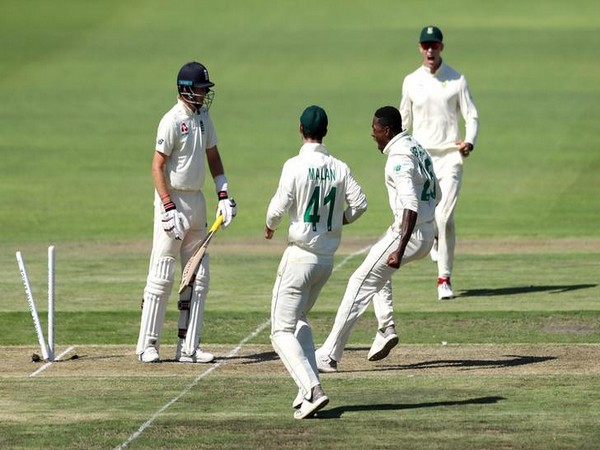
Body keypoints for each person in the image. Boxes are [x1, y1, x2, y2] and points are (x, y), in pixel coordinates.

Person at [315, 106, 439, 373]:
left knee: (359, 282)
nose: (373, 135)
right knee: (376, 270)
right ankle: (385, 327)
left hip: (408, 233)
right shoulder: (414, 145)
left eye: (376, 130)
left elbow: (410, 205)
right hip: (426, 232)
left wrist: (400, 247)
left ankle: (328, 355)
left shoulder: (399, 158)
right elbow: (435, 192)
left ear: (388, 130)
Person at [265, 105, 367, 418]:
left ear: (300, 129)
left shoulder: (294, 165)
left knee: (279, 330)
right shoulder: (339, 167)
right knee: (299, 320)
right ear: (325, 131)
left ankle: (312, 389)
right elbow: (360, 204)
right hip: (325, 260)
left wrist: (270, 226)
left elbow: (278, 208)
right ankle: (307, 386)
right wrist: (340, 221)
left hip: (299, 256)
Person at [136, 61, 237, 363]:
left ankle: (189, 347)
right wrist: (167, 207)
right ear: (185, 89)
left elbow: (213, 156)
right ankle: (148, 345)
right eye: (201, 89)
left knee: (199, 276)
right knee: (163, 273)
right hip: (173, 201)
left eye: (206, 89)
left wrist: (223, 194)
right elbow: (156, 166)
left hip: (197, 201)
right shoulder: (171, 120)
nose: (205, 94)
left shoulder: (204, 116)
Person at [400, 25, 479, 300]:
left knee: (445, 217)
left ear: (441, 47)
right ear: (420, 48)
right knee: (431, 217)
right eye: (426, 45)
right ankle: (434, 236)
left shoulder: (457, 80)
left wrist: (469, 141)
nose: (430, 50)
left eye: (434, 45)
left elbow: (472, 116)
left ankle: (443, 279)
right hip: (423, 159)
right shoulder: (411, 81)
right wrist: (398, 148)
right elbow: (404, 122)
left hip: (450, 157)